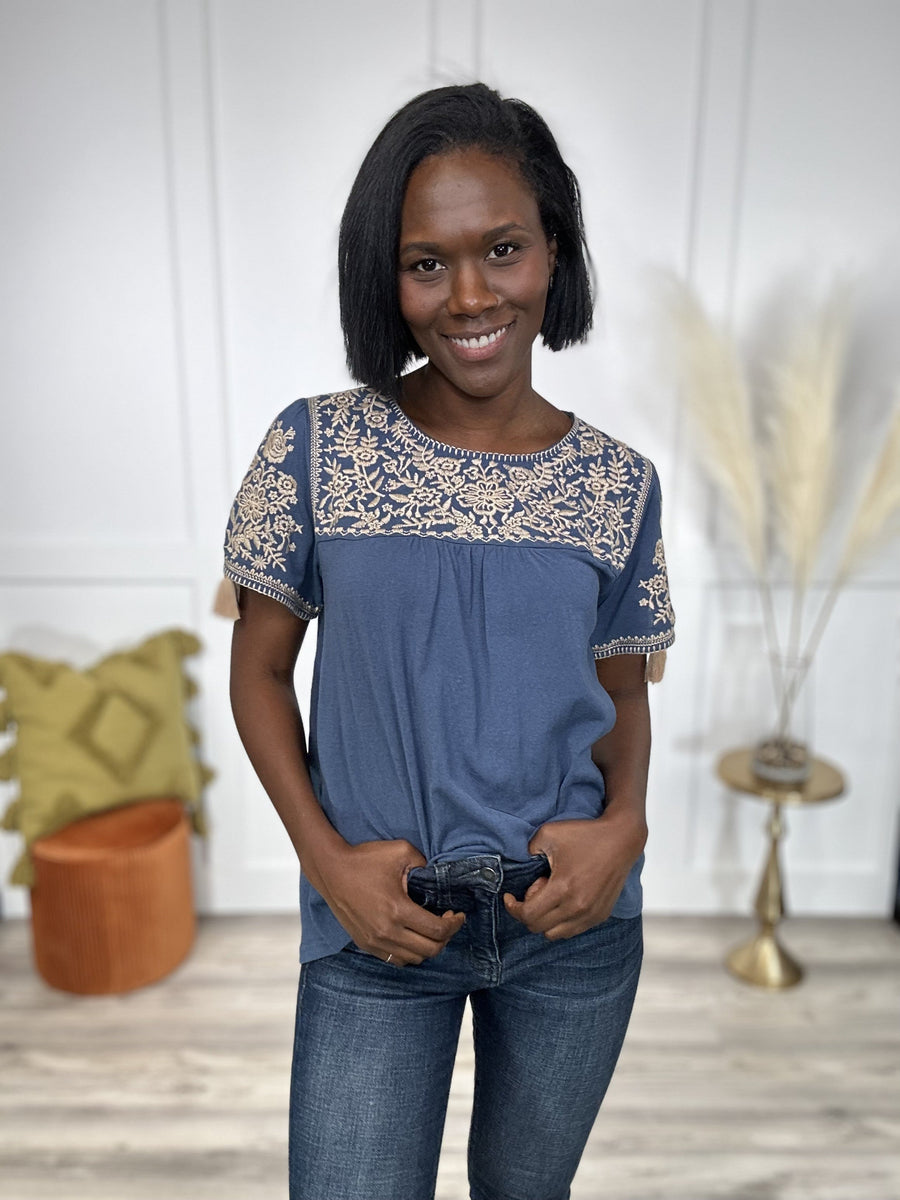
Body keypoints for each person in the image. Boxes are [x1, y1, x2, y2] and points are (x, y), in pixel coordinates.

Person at [221, 82, 674, 1200]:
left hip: (569, 928)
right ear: (385, 277)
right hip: (381, 927)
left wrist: (625, 828)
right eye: (427, 263)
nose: (470, 295)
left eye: (503, 249)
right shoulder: (315, 449)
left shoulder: (619, 485)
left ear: (553, 251)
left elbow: (622, 695)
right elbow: (260, 672)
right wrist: (328, 865)